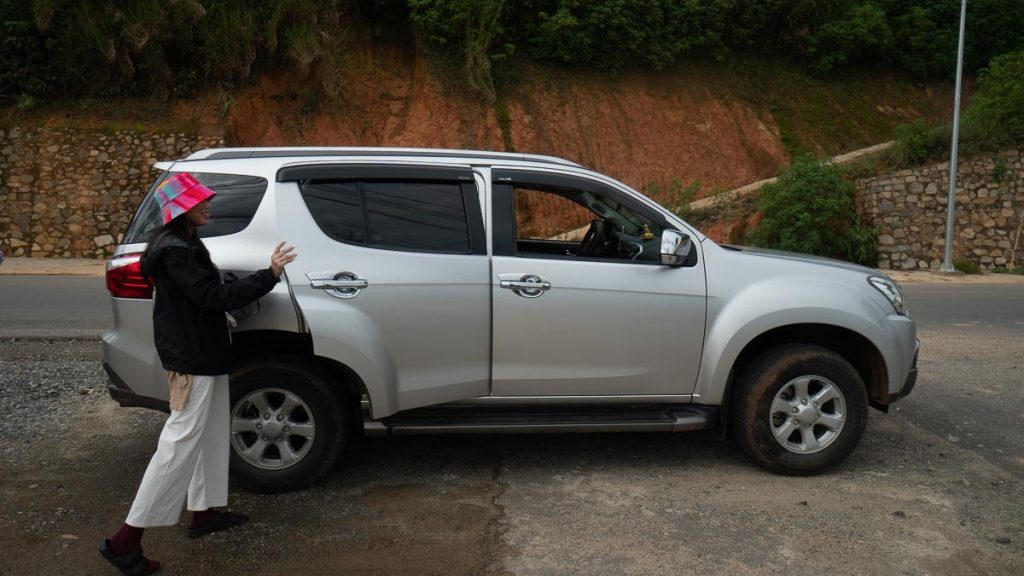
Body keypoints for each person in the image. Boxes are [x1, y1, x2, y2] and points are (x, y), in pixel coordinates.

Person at [99, 172, 296, 575]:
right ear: (182, 210)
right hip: (193, 358)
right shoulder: (177, 250)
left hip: (202, 353)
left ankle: (205, 514)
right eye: (201, 201)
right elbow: (212, 297)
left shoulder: (181, 243)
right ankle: (125, 540)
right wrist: (269, 274)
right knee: (178, 445)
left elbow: (203, 292)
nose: (209, 205)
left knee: (208, 434)